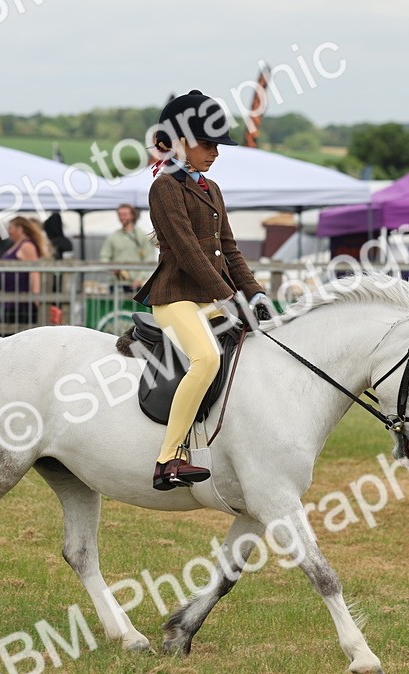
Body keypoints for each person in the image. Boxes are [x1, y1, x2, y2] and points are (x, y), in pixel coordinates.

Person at [133, 89, 269, 491]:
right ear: (179, 143)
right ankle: (168, 459)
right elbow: (190, 253)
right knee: (207, 359)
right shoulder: (165, 189)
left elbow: (228, 248)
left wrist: (255, 294)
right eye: (208, 144)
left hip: (210, 299)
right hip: (175, 299)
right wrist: (230, 298)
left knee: (254, 344)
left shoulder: (211, 189)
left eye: (216, 145)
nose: (215, 153)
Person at [1, 216, 49, 329]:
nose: (9, 231)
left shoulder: (27, 246)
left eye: (11, 228)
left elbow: (35, 272)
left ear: (20, 229)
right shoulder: (16, 244)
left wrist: (35, 297)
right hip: (11, 298)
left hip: (22, 301)